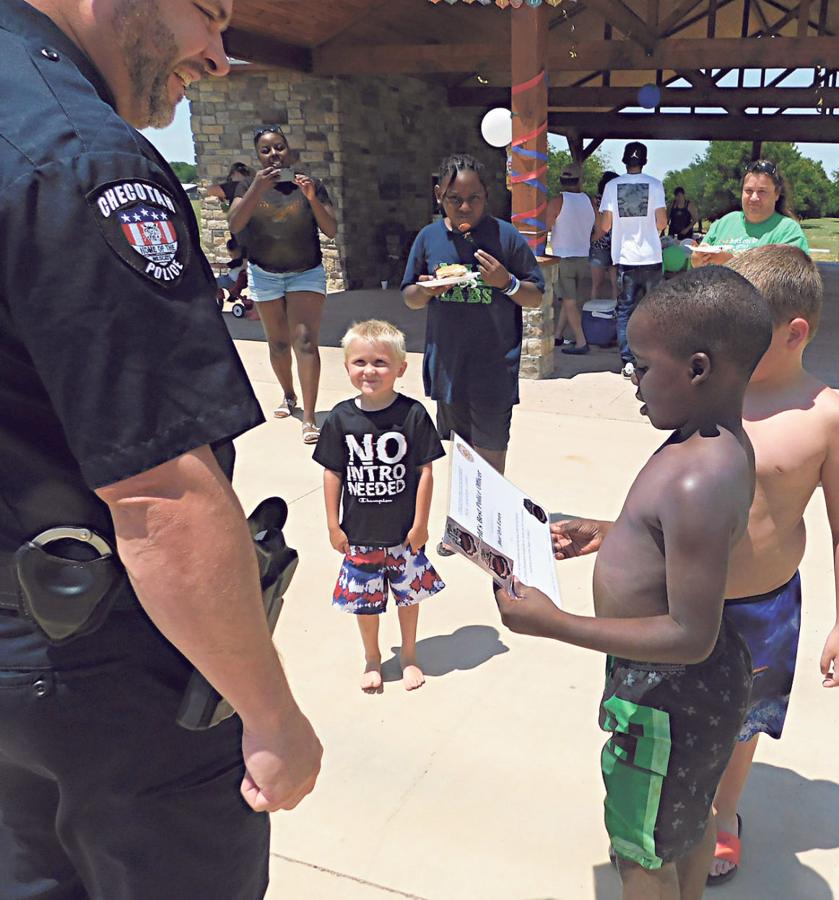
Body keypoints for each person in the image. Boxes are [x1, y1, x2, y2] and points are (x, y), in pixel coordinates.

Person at [0, 2, 323, 897]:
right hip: (104, 676)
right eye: (207, 12)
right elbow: (159, 494)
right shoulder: (78, 155)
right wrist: (269, 713)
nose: (220, 57)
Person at [494, 267, 773, 900]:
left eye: (641, 367)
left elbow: (689, 634)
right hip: (693, 693)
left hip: (668, 698)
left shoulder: (697, 478)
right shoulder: (712, 442)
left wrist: (552, 623)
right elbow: (678, 540)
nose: (634, 383)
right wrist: (613, 532)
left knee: (640, 854)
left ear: (698, 368)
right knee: (683, 822)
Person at [707, 244, 839, 884]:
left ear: (793, 332)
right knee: (671, 707)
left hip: (761, 607)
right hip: (681, 594)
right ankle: (669, 810)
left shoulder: (827, 419)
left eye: (738, 332)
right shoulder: (711, 390)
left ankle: (724, 815)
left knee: (740, 722)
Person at [313, 321, 446, 693]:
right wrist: (332, 524)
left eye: (380, 363)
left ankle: (408, 654)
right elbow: (332, 473)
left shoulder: (413, 415)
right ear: (347, 366)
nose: (369, 370)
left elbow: (425, 472)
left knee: (409, 596)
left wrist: (421, 524)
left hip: (404, 535)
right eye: (360, 362)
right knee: (364, 602)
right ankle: (372, 657)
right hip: (359, 534)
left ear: (401, 368)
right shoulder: (340, 417)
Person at [401, 153, 546, 476]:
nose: (465, 208)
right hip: (449, 368)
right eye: (454, 199)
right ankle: (465, 527)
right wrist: (425, 291)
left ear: (487, 197)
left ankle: (489, 525)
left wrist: (506, 283)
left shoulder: (505, 237)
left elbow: (535, 295)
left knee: (490, 464)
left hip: (493, 369)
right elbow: (409, 296)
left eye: (474, 199)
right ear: (439, 195)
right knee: (463, 459)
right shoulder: (429, 238)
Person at [228, 125, 338, 444]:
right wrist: (255, 191)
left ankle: (309, 417)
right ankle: (288, 395)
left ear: (288, 149)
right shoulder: (249, 185)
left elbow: (330, 229)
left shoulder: (309, 183)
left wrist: (311, 198)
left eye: (279, 147)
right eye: (266, 150)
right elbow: (235, 224)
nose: (274, 154)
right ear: (258, 156)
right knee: (277, 345)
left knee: (304, 340)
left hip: (306, 271)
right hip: (265, 273)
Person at [599, 141, 668, 379]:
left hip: (625, 257)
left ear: (624, 161)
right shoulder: (656, 185)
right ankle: (651, 357)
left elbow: (605, 225)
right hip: (651, 256)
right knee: (653, 310)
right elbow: (661, 222)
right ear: (645, 161)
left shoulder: (611, 186)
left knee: (625, 310)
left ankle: (628, 360)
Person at [692, 159, 810, 268]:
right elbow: (697, 266)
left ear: (777, 193)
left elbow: (789, 281)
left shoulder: (788, 231)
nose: (754, 198)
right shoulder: (724, 223)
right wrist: (697, 260)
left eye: (762, 191)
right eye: (748, 191)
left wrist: (732, 262)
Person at [547, 161, 595, 355]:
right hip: (584, 255)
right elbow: (601, 228)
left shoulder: (557, 201)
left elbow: (545, 227)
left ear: (561, 180)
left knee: (568, 300)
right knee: (573, 301)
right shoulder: (589, 201)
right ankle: (558, 335)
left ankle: (581, 341)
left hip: (563, 256)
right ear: (580, 181)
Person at [589, 169, 619, 302]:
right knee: (614, 285)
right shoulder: (599, 200)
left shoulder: (596, 200)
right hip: (610, 244)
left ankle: (594, 312)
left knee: (598, 284)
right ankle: (614, 313)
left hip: (600, 244)